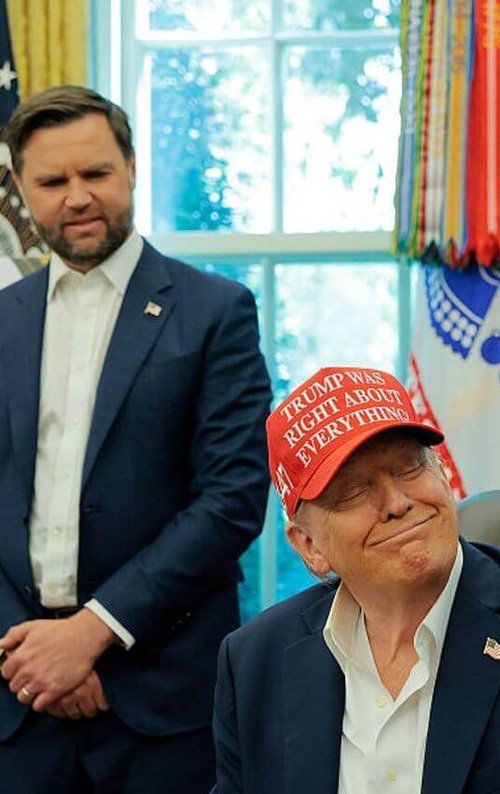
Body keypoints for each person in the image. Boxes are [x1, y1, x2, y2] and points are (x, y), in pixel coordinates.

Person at [212, 366, 500, 794]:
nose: (397, 502)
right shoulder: (254, 661)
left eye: (409, 467)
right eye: (353, 491)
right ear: (309, 545)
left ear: (441, 472)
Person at [0, 86, 272, 792]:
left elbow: (233, 500)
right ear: (21, 190)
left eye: (96, 173)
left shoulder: (215, 312)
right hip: (19, 694)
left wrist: (91, 634)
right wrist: (35, 655)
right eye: (52, 182)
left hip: (160, 699)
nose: (77, 197)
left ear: (131, 168)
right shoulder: (3, 319)